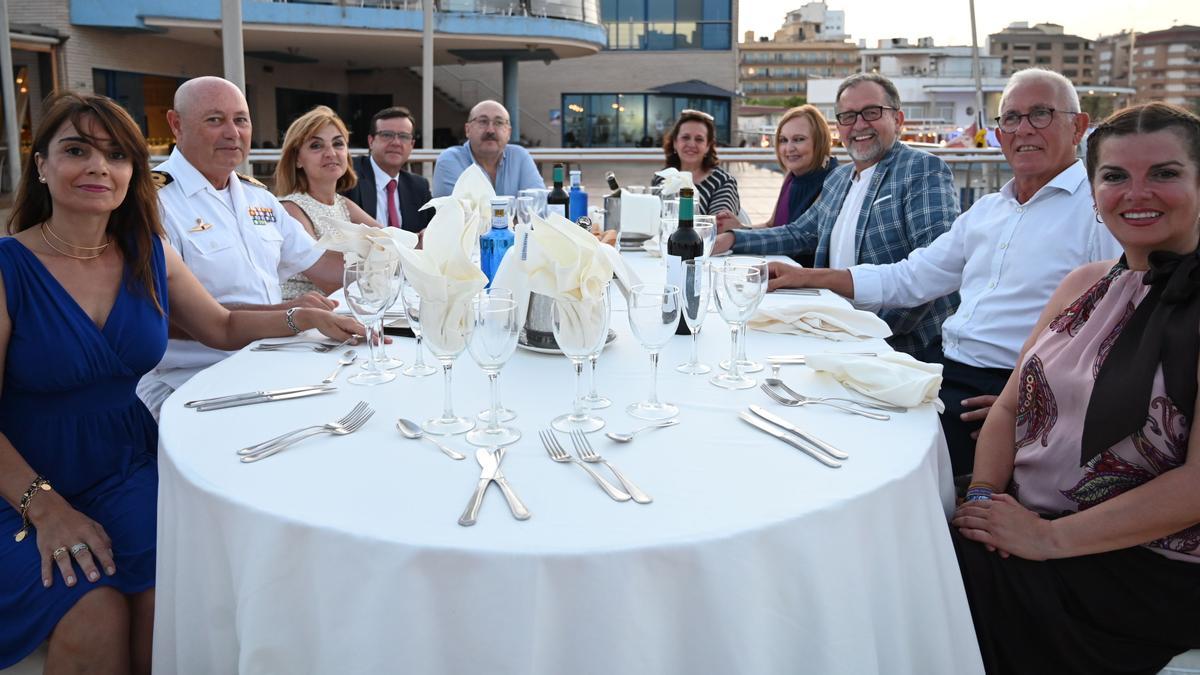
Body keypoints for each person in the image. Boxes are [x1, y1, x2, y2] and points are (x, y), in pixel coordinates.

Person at [0, 91, 360, 672]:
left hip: (125, 462)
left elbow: (220, 324)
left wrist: (303, 319)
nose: (99, 167)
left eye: (117, 156)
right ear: (40, 165)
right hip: (21, 480)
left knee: (177, 585)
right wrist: (45, 508)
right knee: (92, 612)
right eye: (76, 151)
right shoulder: (8, 266)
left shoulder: (148, 249)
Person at [763, 70, 1122, 475]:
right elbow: (911, 277)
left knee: (864, 464)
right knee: (810, 411)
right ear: (999, 134)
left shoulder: (1100, 211)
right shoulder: (988, 210)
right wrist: (807, 277)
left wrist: (1039, 399)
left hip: (1003, 387)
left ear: (1078, 126)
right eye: (1011, 118)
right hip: (942, 367)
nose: (1023, 129)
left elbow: (1117, 329)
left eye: (1040, 114)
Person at [949, 100, 1200, 674]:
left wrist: (1046, 541)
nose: (1137, 193)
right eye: (1115, 176)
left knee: (929, 592)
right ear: (1093, 193)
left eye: (1164, 173)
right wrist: (986, 499)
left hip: (1138, 562)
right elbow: (1011, 405)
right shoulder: (1083, 285)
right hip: (1025, 518)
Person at [136, 76, 348, 419]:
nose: (232, 133)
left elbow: (325, 268)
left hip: (269, 360)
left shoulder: (258, 198)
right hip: (191, 380)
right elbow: (162, 317)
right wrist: (289, 313)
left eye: (241, 120)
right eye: (215, 120)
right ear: (175, 124)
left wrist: (409, 263)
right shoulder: (152, 203)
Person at [713, 72, 960, 360]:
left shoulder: (921, 169)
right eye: (848, 116)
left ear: (898, 120)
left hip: (895, 348)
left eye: (871, 112)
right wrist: (732, 239)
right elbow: (798, 233)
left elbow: (935, 268)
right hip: (834, 328)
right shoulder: (839, 179)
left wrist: (870, 331)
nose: (859, 125)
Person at [275, 105, 382, 299]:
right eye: (316, 146)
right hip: (305, 322)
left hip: (348, 311)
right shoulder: (290, 209)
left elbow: (390, 241)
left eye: (338, 144)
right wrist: (381, 256)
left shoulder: (343, 204)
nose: (331, 153)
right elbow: (328, 280)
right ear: (298, 159)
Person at [719, 105, 839, 268]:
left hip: (805, 280)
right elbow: (772, 226)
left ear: (820, 140)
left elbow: (797, 237)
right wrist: (740, 227)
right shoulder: (791, 176)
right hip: (777, 268)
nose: (788, 148)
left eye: (798, 139)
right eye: (783, 140)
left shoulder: (834, 180)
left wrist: (735, 237)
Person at [341, 106, 432, 235]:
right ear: (371, 141)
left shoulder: (419, 186)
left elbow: (436, 226)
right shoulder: (348, 174)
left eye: (404, 136)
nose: (396, 142)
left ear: (412, 145)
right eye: (387, 135)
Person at [432, 100, 542, 198]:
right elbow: (459, 214)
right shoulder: (451, 160)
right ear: (468, 130)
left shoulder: (519, 157)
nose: (490, 130)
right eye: (483, 121)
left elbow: (539, 206)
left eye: (499, 122)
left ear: (508, 132)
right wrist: (516, 215)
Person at [651, 109, 741, 217]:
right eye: (685, 137)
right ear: (675, 143)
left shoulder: (722, 182)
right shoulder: (662, 179)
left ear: (708, 146)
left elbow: (719, 225)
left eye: (699, 139)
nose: (691, 144)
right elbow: (652, 218)